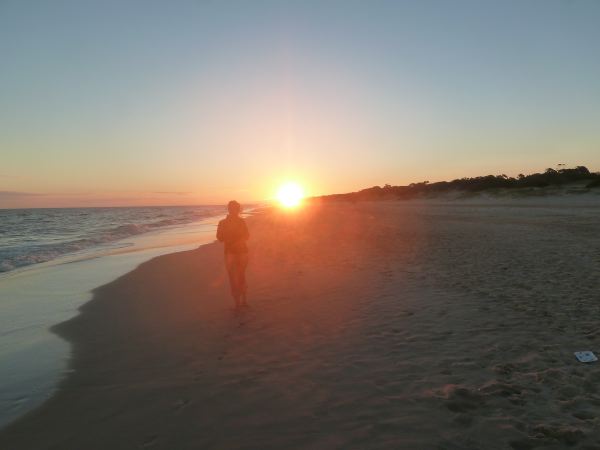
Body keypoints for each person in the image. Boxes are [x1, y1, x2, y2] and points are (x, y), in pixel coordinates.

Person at [216, 200, 250, 307]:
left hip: (231, 252)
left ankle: (238, 303)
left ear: (229, 209)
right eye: (235, 209)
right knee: (241, 275)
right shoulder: (241, 222)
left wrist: (229, 238)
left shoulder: (223, 223)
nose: (235, 211)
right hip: (241, 252)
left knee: (233, 277)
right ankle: (243, 301)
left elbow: (220, 238)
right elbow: (247, 236)